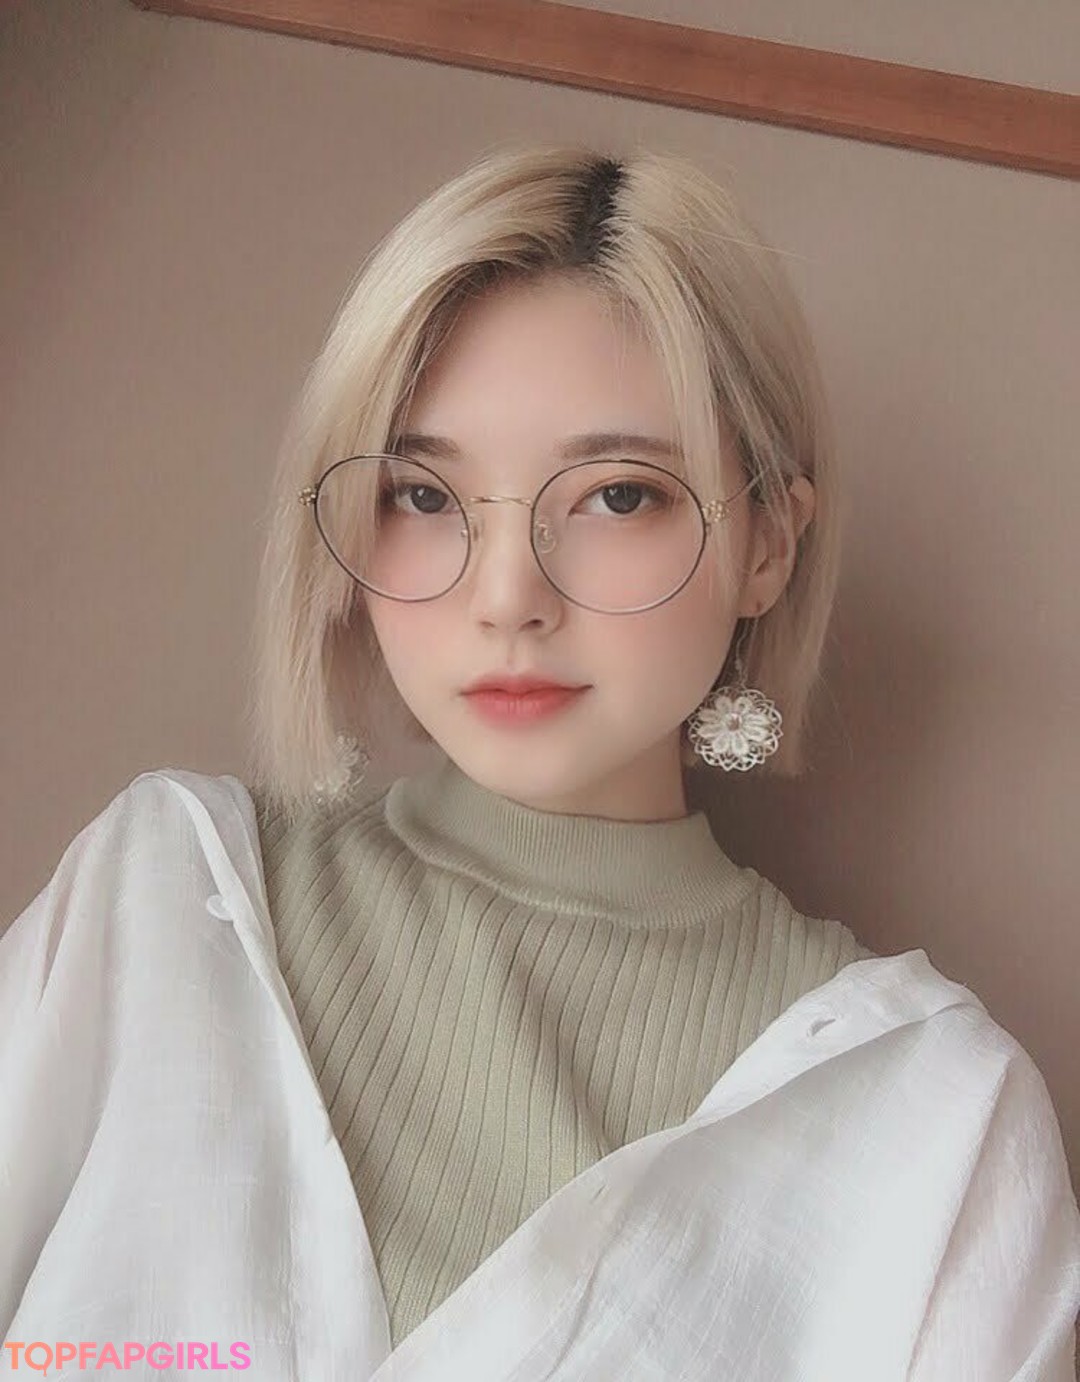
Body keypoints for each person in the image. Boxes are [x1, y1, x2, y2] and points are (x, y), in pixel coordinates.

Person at [1, 145, 1077, 1381]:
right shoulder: (155, 901)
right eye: (423, 494)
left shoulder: (933, 1122)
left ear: (768, 545)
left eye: (618, 496)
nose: (507, 593)